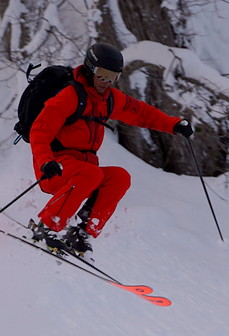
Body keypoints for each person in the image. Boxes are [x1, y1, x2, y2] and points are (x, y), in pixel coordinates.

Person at [28, 42, 194, 254]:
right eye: (103, 74)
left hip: (84, 171)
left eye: (113, 76)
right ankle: (46, 228)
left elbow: (140, 113)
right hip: (54, 168)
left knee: (119, 177)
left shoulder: (108, 100)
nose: (107, 82)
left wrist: (173, 124)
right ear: (89, 69)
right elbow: (40, 131)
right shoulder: (69, 96)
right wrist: (45, 161)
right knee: (90, 174)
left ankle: (81, 233)